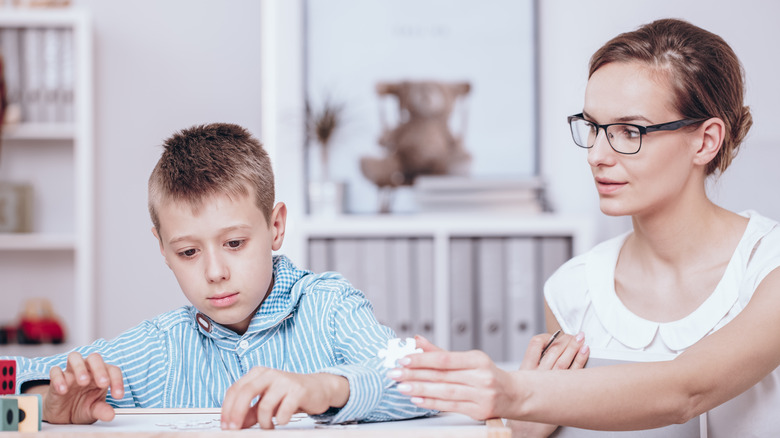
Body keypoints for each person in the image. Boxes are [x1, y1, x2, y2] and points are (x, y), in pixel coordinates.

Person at [390, 18, 780, 437]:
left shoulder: (767, 268)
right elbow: (548, 416)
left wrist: (516, 391)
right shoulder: (572, 290)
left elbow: (685, 391)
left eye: (629, 131)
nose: (596, 154)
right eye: (593, 127)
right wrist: (523, 427)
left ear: (705, 142)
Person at [1, 123, 432, 430]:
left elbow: (422, 384)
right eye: (189, 252)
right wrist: (40, 407)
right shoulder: (158, 349)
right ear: (163, 250)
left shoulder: (331, 308)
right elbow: (11, 379)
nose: (214, 272)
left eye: (234, 244)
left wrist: (326, 388)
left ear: (275, 226)